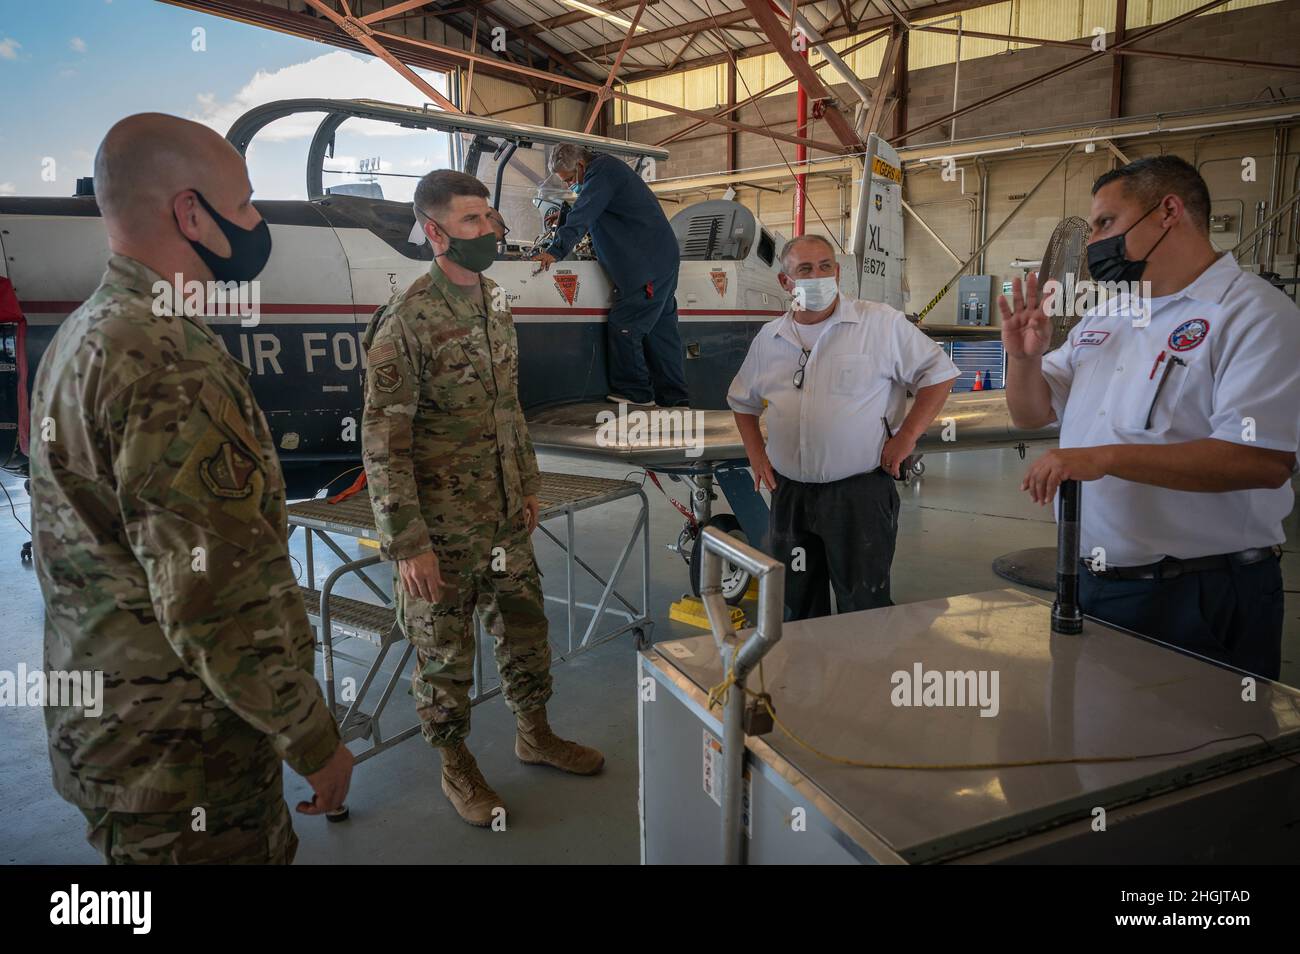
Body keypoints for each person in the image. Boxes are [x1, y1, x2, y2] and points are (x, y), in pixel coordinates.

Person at [29, 113, 352, 864]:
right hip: (187, 752)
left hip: (117, 734)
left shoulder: (86, 333)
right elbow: (214, 597)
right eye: (243, 205)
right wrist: (311, 736)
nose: (257, 222)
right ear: (190, 213)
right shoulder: (169, 358)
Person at [362, 169, 603, 828]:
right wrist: (407, 544)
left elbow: (508, 408)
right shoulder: (406, 320)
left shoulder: (495, 300)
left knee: (526, 630)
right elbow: (384, 444)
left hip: (501, 520)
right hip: (438, 532)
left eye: (491, 217)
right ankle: (456, 767)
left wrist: (526, 483)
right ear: (435, 233)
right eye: (473, 221)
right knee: (444, 659)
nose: (491, 229)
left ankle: (534, 734)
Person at [1001, 154, 1300, 679]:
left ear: (1168, 211)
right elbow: (1031, 415)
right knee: (1099, 744)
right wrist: (1023, 360)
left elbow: (1261, 460)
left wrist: (1105, 458)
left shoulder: (1252, 313)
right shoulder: (1108, 316)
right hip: (1091, 582)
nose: (1093, 241)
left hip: (1199, 593)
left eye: (1106, 223)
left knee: (1204, 744)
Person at [728, 234, 960, 620]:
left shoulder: (880, 323)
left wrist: (905, 438)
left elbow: (939, 375)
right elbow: (742, 401)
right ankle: (806, 678)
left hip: (858, 496)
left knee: (863, 605)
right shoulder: (769, 339)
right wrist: (757, 456)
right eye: (805, 269)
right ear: (786, 284)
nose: (818, 276)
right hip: (791, 499)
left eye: (825, 267)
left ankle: (864, 677)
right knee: (796, 604)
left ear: (837, 273)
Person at [532, 144, 689, 407]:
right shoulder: (609, 171)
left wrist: (555, 251)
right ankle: (675, 398)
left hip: (646, 265)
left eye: (570, 180)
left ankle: (636, 393)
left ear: (581, 166)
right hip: (659, 260)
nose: (570, 186)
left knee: (625, 324)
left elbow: (583, 213)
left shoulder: (601, 174)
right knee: (660, 332)